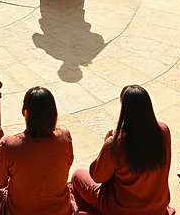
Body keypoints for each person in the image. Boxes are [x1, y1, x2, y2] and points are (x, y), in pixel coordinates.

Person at [70, 85, 173, 215]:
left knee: (78, 175)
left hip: (121, 210)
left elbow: (97, 176)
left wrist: (106, 147)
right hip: (158, 207)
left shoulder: (115, 145)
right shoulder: (164, 131)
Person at [0, 87, 77, 215]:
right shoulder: (64, 137)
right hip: (60, 210)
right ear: (54, 113)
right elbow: (68, 163)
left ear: (25, 112)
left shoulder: (9, 145)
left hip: (19, 212)